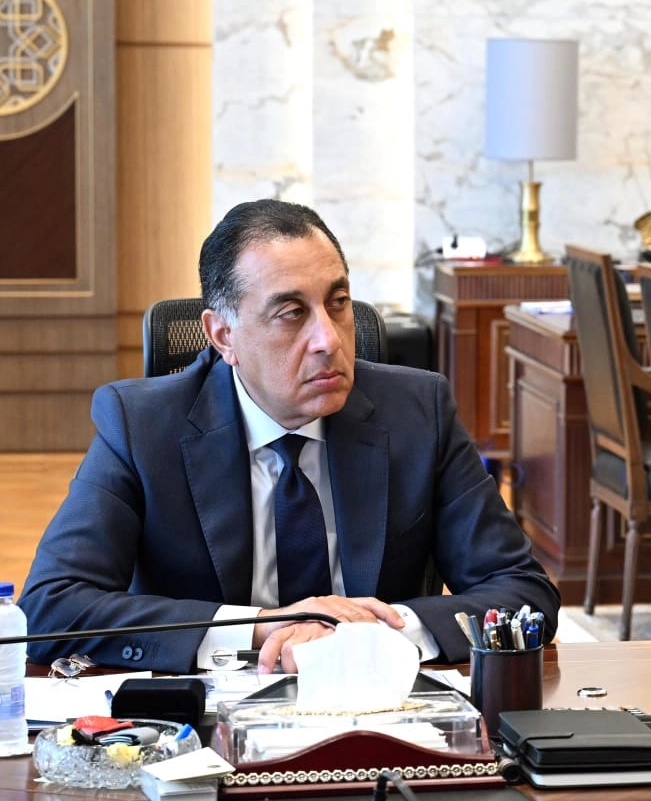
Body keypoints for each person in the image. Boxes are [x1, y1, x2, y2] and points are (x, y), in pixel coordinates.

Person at [22, 199, 559, 674]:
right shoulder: (140, 424)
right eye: (291, 313)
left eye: (338, 302)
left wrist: (377, 630)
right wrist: (262, 626)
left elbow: (522, 591)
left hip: (383, 701)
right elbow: (51, 605)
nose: (329, 339)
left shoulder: (419, 412)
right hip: (207, 714)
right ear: (223, 335)